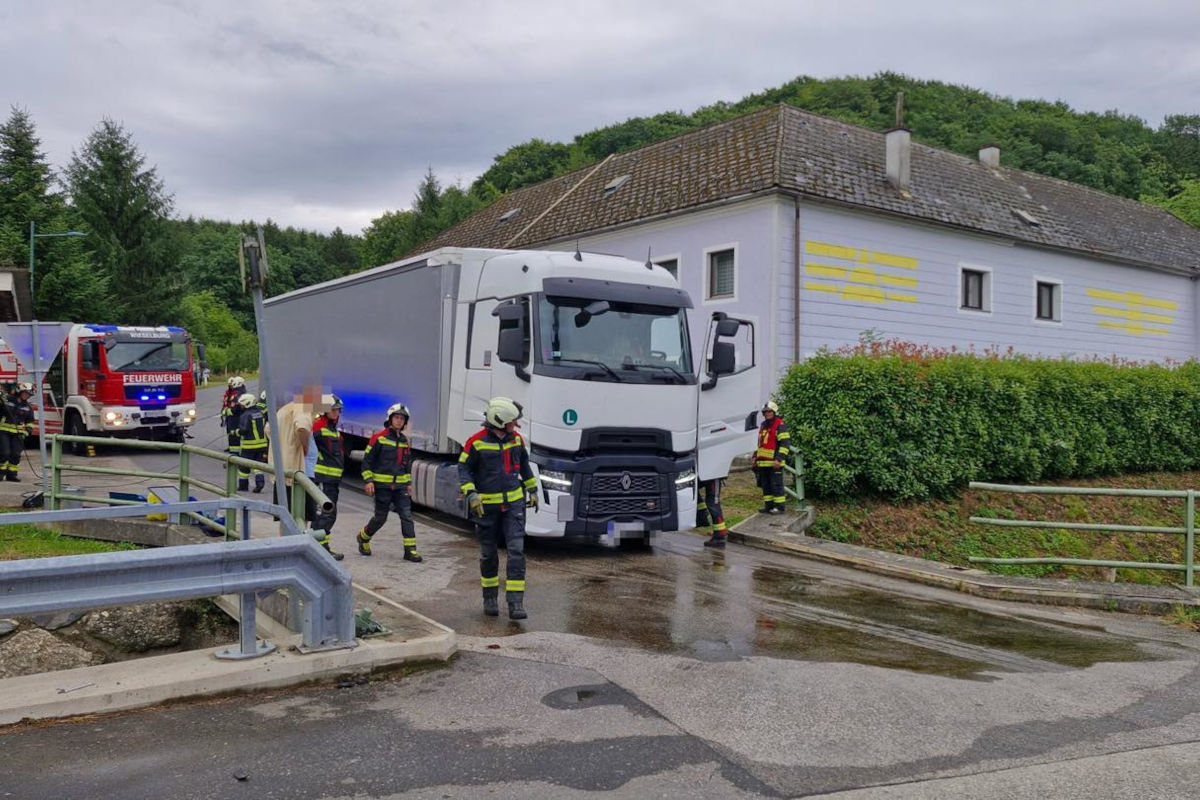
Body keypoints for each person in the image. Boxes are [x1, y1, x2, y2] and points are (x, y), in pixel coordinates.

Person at [458, 397, 538, 620]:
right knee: (488, 554)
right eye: (512, 421)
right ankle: (490, 598)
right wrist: (471, 493)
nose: (515, 425)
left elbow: (524, 466)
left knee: (516, 551)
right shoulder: (476, 442)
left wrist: (533, 490)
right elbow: (464, 469)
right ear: (499, 421)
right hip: (486, 508)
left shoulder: (516, 440)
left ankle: (515, 603)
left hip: (514, 505)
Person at [270, 387, 342, 559]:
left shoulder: (285, 409)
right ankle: (295, 554)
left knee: (286, 516)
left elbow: (268, 429)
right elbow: (302, 427)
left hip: (284, 471)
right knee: (300, 516)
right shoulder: (302, 408)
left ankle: (286, 550)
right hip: (299, 473)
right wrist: (304, 446)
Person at [357, 402, 422, 563]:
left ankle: (410, 551)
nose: (399, 421)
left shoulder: (404, 441)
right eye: (396, 417)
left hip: (400, 488)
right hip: (382, 487)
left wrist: (408, 484)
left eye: (402, 418)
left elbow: (406, 465)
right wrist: (369, 481)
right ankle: (363, 537)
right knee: (380, 518)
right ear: (390, 419)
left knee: (407, 516)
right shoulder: (378, 438)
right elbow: (367, 462)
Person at [311, 394, 345, 547]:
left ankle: (319, 544)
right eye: (333, 410)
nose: (336, 413)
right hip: (322, 478)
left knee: (328, 514)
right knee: (326, 514)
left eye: (338, 410)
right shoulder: (318, 427)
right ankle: (321, 547)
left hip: (332, 480)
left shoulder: (334, 430)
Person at [755, 400, 791, 514]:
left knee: (776, 485)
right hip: (763, 462)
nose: (767, 414)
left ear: (774, 412)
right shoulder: (763, 425)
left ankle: (780, 508)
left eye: (769, 411)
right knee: (766, 486)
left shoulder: (780, 425)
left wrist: (779, 459)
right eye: (765, 412)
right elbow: (760, 443)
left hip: (775, 462)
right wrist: (754, 457)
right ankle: (768, 507)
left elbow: (785, 443)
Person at [234, 392, 267, 494]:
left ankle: (243, 486)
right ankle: (260, 482)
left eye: (242, 405)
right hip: (262, 445)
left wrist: (235, 432)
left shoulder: (245, 415)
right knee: (257, 465)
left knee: (243, 466)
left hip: (249, 445)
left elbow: (244, 430)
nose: (241, 407)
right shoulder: (259, 413)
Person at [0, 383, 33, 481]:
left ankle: (12, 475)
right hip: (3, 431)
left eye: (29, 394)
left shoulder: (27, 407)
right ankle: (1, 473)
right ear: (20, 391)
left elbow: (30, 421)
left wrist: (26, 432)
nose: (27, 396)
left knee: (15, 454)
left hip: (17, 434)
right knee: (4, 453)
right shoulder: (6, 400)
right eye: (25, 393)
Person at [696, 478, 729, 548]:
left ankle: (720, 536)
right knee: (692, 490)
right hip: (707, 474)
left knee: (713, 503)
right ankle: (702, 517)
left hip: (714, 476)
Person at [221, 376, 245, 456]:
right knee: (232, 434)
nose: (231, 386)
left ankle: (234, 453)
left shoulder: (238, 394)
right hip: (233, 418)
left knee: (234, 435)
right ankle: (233, 451)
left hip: (235, 418)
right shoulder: (237, 392)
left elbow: (234, 408)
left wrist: (225, 412)